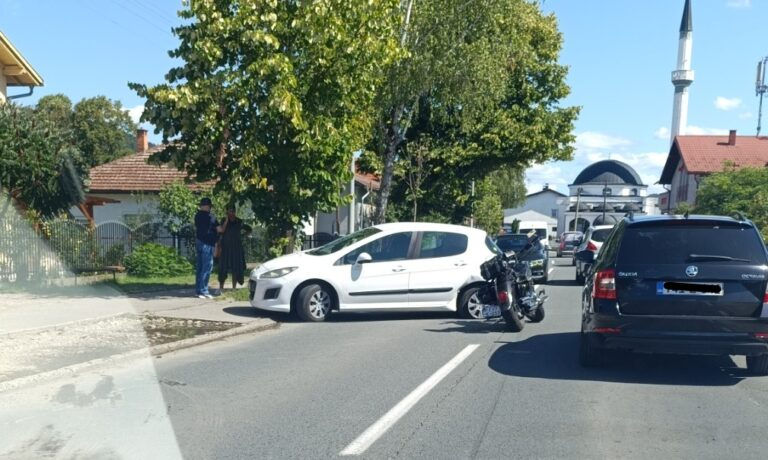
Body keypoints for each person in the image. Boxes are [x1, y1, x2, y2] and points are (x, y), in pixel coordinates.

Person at [217, 207, 252, 291]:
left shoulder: (239, 221)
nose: (231, 213)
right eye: (229, 212)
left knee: (236, 268)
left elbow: (249, 229)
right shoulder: (223, 221)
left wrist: (243, 236)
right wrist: (226, 220)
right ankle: (221, 287)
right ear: (227, 212)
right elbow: (220, 231)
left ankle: (234, 288)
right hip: (225, 247)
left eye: (232, 211)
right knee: (223, 268)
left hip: (236, 247)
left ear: (235, 212)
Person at [194, 197, 219, 299]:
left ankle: (198, 290)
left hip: (199, 242)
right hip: (208, 244)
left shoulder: (197, 216)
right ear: (208, 206)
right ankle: (204, 290)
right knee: (207, 268)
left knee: (200, 268)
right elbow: (219, 229)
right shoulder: (211, 217)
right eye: (209, 206)